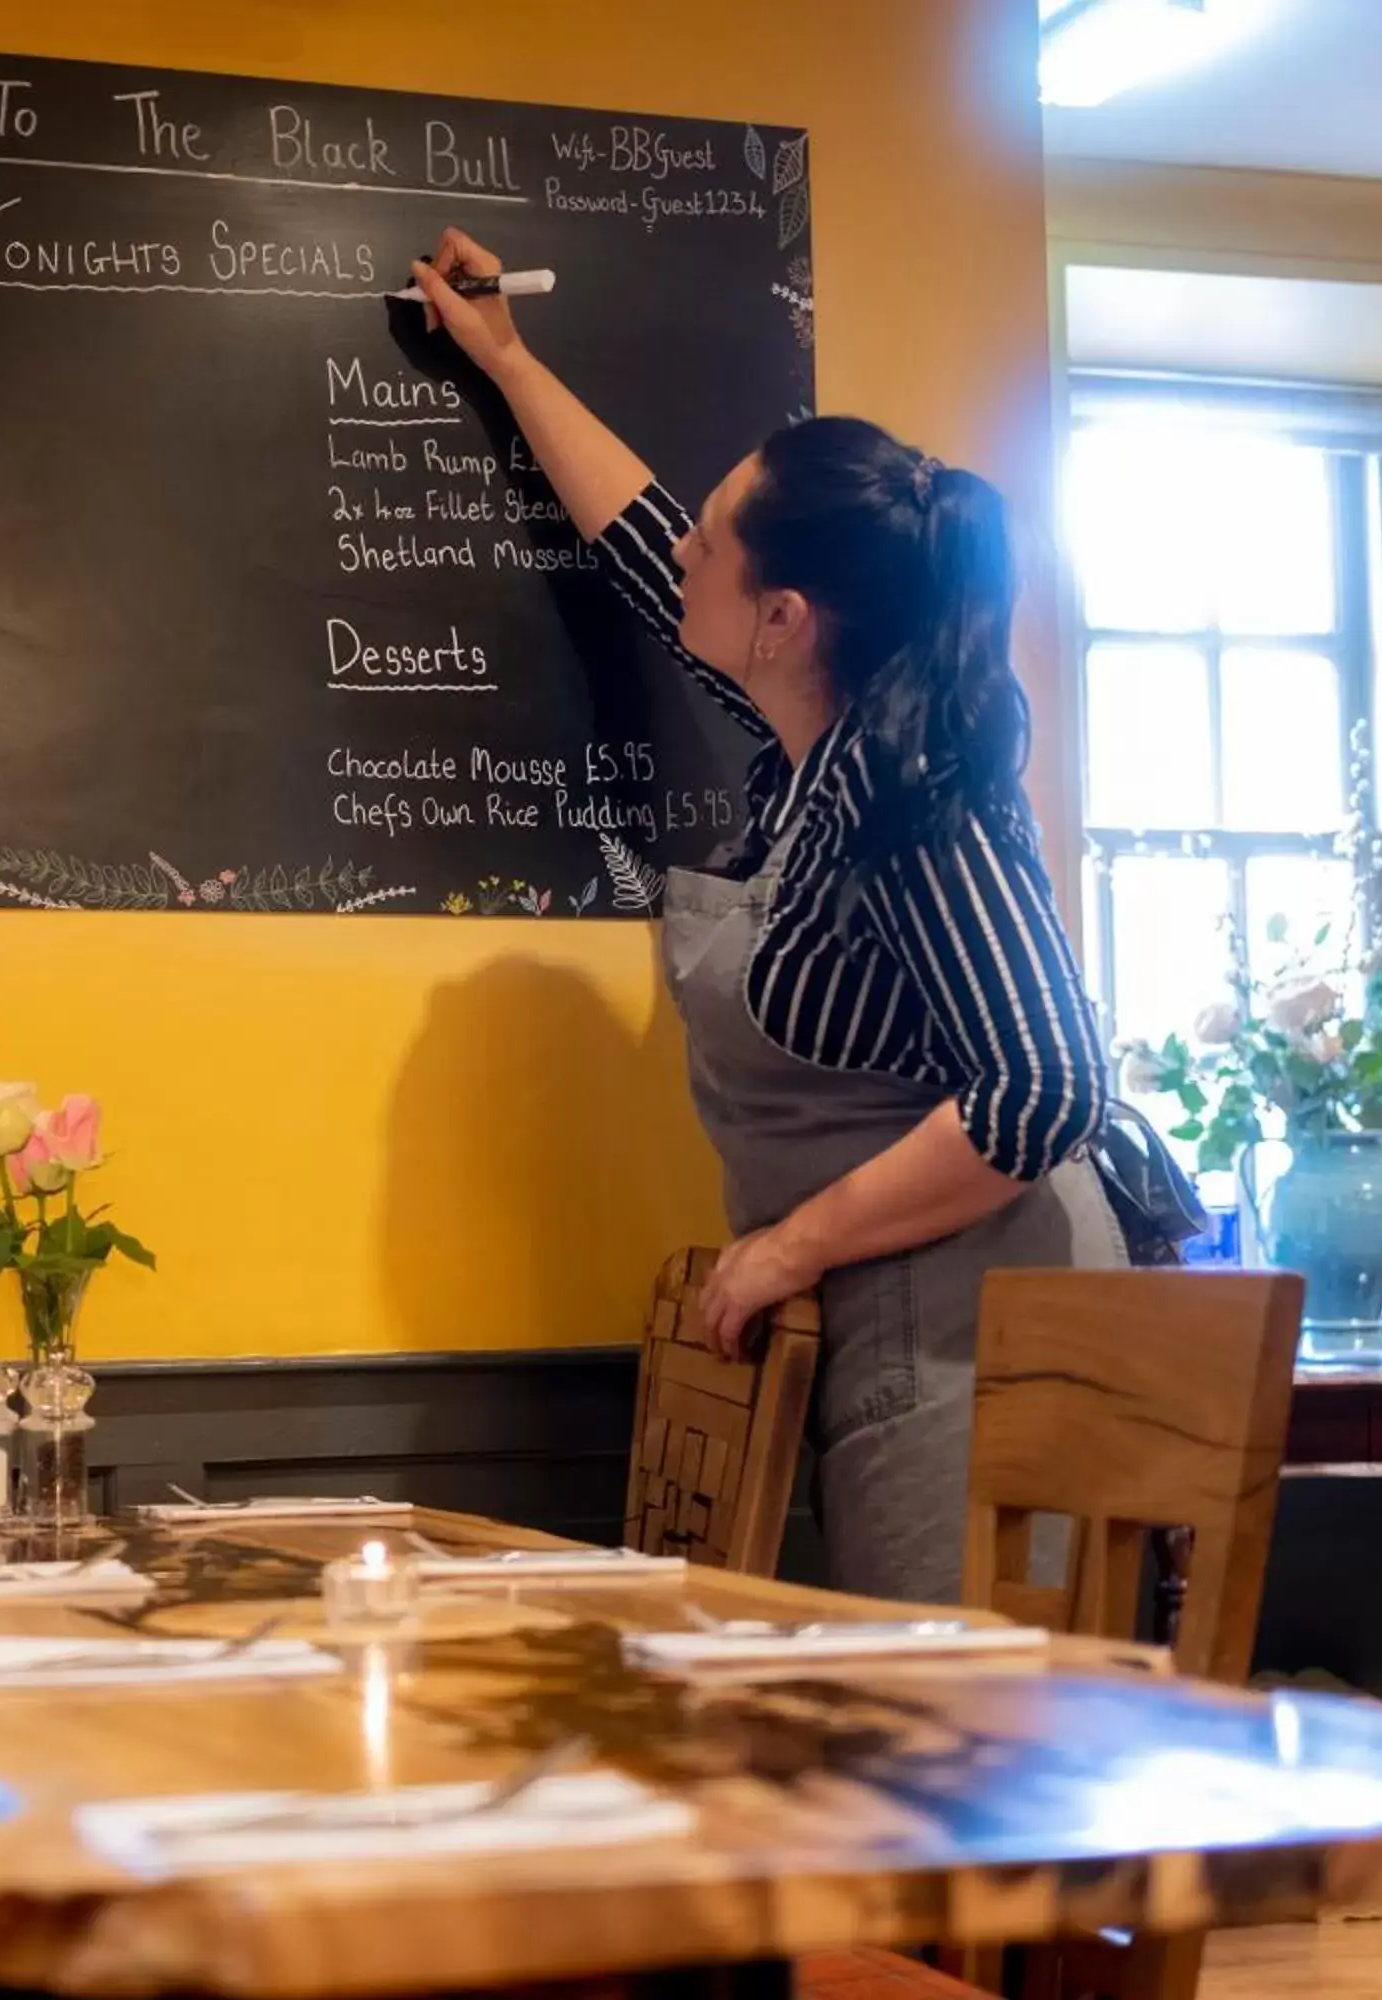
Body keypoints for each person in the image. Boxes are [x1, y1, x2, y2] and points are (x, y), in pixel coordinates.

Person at [411, 228, 1125, 1603]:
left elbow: (1047, 1089)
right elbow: (637, 548)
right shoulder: (813, 754)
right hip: (888, 1313)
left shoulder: (930, 796)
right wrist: (506, 361)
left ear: (785, 616)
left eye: (715, 535)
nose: (688, 543)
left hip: (980, 1324)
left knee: (951, 1736)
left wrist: (792, 1243)